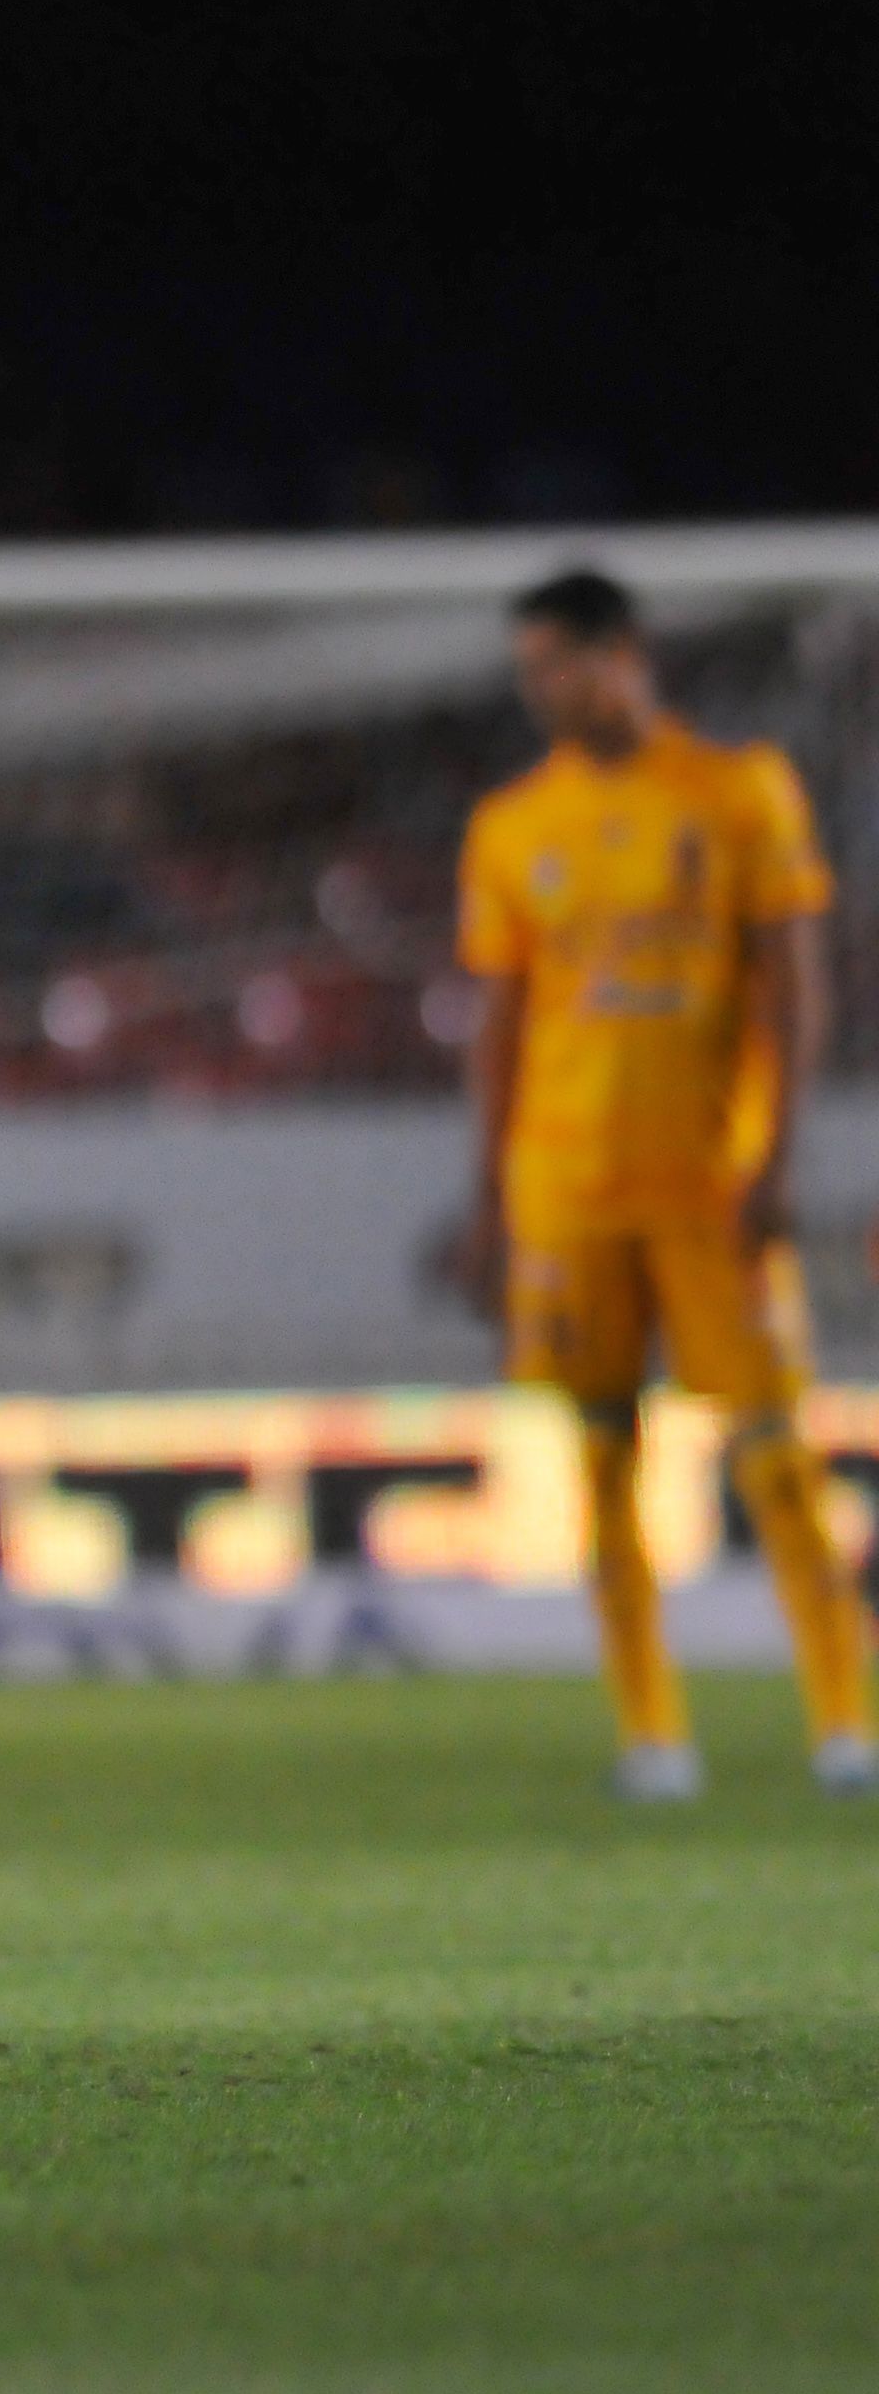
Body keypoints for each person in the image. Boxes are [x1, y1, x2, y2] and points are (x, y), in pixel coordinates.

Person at [459, 564, 874, 1801]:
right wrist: (487, 1200)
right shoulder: (510, 827)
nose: (541, 691)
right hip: (566, 1190)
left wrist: (778, 1153)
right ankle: (651, 1732)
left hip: (708, 1180)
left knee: (771, 1453)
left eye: (556, 665)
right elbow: (499, 1022)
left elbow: (797, 984)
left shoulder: (737, 790)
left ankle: (844, 1721)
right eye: (528, 671)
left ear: (619, 651)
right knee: (597, 1460)